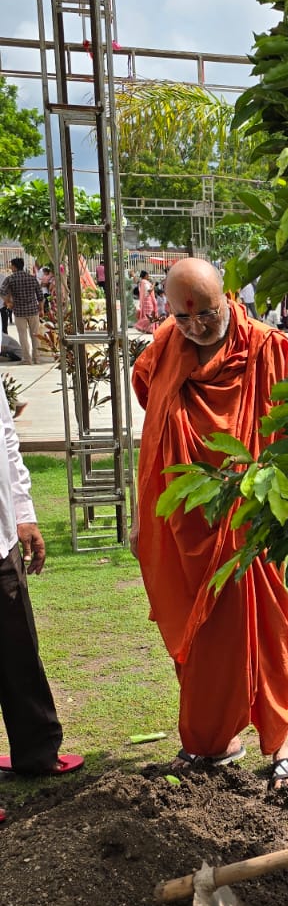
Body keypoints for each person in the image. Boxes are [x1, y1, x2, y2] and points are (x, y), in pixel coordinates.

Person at [130, 261, 288, 794]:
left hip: (252, 516)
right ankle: (213, 741)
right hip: (185, 516)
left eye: (208, 314)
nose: (195, 327)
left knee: (262, 628)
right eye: (182, 317)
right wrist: (143, 514)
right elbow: (153, 426)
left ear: (229, 298)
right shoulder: (165, 347)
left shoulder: (268, 347)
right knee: (200, 636)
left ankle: (281, 741)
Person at [0, 379, 83, 783]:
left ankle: (37, 752)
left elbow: (6, 440)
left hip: (1, 537)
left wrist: (23, 514)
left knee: (18, 646)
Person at [0, 258, 44, 365]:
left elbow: (1, 291)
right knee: (35, 335)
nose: (10, 267)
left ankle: (27, 359)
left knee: (23, 336)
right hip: (33, 311)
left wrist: (8, 302)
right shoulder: (32, 278)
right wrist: (41, 308)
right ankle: (37, 358)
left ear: (14, 266)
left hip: (19, 312)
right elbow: (40, 295)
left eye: (11, 265)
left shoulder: (10, 279)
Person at [134, 269, 157, 334]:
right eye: (147, 274)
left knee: (149, 315)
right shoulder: (144, 282)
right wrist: (154, 284)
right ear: (145, 275)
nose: (148, 276)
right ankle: (141, 326)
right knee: (149, 315)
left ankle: (148, 329)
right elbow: (149, 290)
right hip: (147, 301)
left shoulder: (143, 282)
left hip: (147, 300)